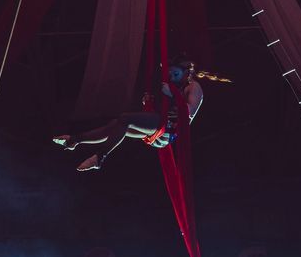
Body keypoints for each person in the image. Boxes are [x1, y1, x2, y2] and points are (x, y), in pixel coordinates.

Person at [52, 58, 205, 173]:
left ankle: (100, 156)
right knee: (115, 125)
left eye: (176, 73)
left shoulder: (194, 87)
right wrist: (150, 102)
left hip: (168, 130)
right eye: (170, 73)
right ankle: (74, 140)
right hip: (160, 130)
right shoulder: (175, 86)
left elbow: (189, 112)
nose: (172, 76)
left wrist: (171, 94)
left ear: (187, 73)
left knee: (126, 119)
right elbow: (166, 108)